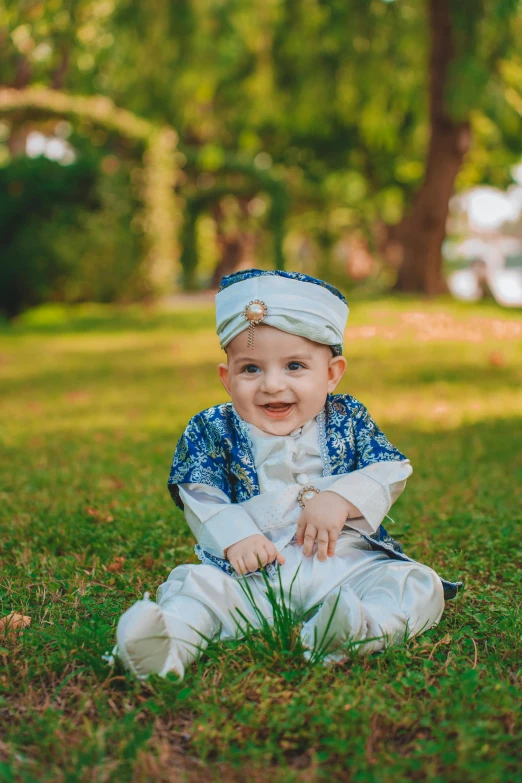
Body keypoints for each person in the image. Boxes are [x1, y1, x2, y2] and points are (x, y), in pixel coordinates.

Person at [115, 269, 462, 680]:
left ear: (332, 374)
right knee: (199, 588)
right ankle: (168, 645)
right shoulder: (212, 427)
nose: (272, 385)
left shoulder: (348, 418)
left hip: (343, 563)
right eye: (251, 369)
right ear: (227, 379)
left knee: (416, 585)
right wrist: (236, 536)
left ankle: (359, 627)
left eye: (295, 366)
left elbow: (390, 468)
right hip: (253, 572)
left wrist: (340, 499)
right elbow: (197, 488)